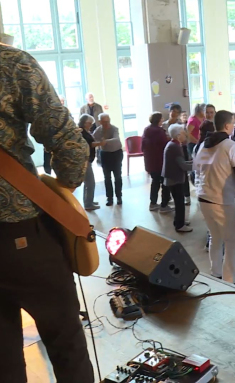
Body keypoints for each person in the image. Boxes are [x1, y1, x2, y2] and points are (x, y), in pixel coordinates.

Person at [0, 44, 93, 382]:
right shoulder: (10, 62)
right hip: (19, 234)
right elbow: (67, 141)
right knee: (66, 343)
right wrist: (65, 185)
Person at [193, 110, 235, 289]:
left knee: (215, 237)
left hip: (203, 198)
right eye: (233, 123)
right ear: (226, 126)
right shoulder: (231, 146)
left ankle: (215, 274)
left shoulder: (202, 145)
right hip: (221, 201)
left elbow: (195, 173)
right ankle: (229, 281)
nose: (234, 126)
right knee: (231, 241)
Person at [163, 124, 193, 232]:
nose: (185, 134)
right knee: (179, 203)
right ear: (178, 135)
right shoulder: (174, 147)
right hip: (174, 179)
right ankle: (180, 225)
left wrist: (193, 162)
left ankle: (179, 221)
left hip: (173, 178)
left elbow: (183, 163)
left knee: (178, 202)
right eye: (184, 132)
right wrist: (197, 165)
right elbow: (183, 166)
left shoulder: (173, 145)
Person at [142, 112, 171, 213]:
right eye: (161, 119)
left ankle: (153, 203)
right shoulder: (159, 132)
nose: (163, 120)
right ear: (158, 120)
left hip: (150, 161)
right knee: (165, 183)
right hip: (160, 161)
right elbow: (165, 145)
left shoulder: (146, 130)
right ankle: (164, 204)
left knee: (155, 182)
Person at [93, 113, 123, 206]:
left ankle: (119, 196)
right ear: (100, 122)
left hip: (116, 153)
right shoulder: (98, 130)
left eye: (108, 121)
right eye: (104, 122)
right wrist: (99, 143)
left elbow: (116, 139)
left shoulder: (114, 128)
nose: (107, 124)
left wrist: (104, 142)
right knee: (107, 177)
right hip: (105, 154)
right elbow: (93, 139)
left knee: (117, 176)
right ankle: (109, 198)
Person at [79, 114, 104, 211]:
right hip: (85, 160)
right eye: (89, 123)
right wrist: (100, 143)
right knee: (90, 182)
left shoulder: (85, 131)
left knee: (88, 183)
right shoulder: (81, 132)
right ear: (84, 122)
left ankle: (88, 201)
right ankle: (88, 204)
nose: (90, 125)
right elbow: (88, 144)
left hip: (88, 159)